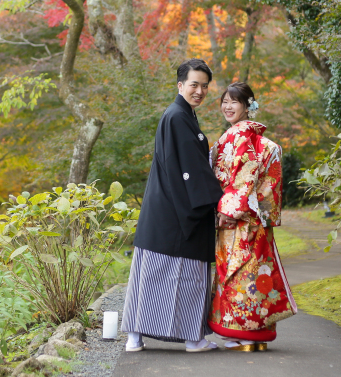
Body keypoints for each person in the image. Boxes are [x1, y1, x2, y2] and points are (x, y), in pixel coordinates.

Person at [121, 58, 223, 353]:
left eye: (205, 86)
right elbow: (192, 167)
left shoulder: (181, 115)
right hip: (178, 212)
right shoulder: (178, 116)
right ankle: (193, 339)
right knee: (186, 277)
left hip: (161, 211)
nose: (200, 91)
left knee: (149, 279)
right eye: (194, 84)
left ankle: (135, 338)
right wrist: (217, 200)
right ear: (181, 85)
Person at [207, 82, 297, 351]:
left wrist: (226, 211)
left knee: (241, 276)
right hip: (255, 220)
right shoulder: (253, 141)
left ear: (248, 106)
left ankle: (241, 333)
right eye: (225, 101)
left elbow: (242, 180)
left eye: (235, 102)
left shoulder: (242, 139)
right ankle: (254, 334)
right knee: (254, 273)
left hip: (238, 221)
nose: (228, 106)